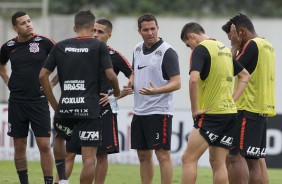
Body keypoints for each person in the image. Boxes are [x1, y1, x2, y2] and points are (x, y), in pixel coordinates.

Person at [39, 10, 120, 184]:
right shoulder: (99, 46)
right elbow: (111, 76)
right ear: (92, 28)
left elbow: (42, 76)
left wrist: (54, 104)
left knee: (61, 140)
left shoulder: (60, 46)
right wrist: (118, 93)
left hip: (65, 106)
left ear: (74, 27)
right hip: (89, 108)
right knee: (89, 159)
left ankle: (62, 180)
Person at [54, 18, 133, 184]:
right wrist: (53, 83)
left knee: (101, 154)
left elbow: (133, 77)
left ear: (109, 35)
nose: (96, 34)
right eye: (94, 30)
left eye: (100, 32)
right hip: (78, 107)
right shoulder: (81, 51)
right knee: (69, 152)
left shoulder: (114, 55)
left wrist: (116, 95)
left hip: (104, 110)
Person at [180, 22, 250, 184]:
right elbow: (245, 76)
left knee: (188, 159)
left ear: (191, 36)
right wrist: (232, 100)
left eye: (187, 44)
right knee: (218, 163)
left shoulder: (201, 49)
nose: (190, 48)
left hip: (212, 114)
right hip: (230, 114)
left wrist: (194, 109)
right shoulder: (224, 49)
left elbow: (193, 80)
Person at [123, 13, 181, 184]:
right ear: (139, 31)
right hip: (139, 111)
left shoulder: (167, 52)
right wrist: (131, 81)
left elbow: (177, 83)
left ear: (158, 28)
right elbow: (135, 71)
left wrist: (157, 91)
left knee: (162, 155)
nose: (150, 33)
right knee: (143, 155)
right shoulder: (137, 48)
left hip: (159, 111)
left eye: (153, 29)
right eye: (146, 29)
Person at [0, 11, 55, 184]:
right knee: (19, 145)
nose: (29, 24)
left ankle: (48, 182)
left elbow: (63, 62)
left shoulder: (45, 42)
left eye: (29, 21)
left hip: (38, 101)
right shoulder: (8, 46)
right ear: (15, 28)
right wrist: (8, 82)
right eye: (23, 23)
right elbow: (1, 66)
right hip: (17, 102)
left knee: (44, 145)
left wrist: (51, 84)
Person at [222, 13, 276, 184]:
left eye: (232, 36)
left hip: (246, 108)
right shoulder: (268, 45)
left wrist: (233, 46)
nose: (232, 40)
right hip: (261, 109)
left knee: (234, 156)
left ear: (241, 32)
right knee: (254, 160)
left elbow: (227, 69)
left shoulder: (251, 45)